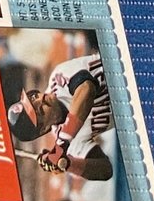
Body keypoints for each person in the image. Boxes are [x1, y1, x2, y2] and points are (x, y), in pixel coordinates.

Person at [7, 47, 116, 185]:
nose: (40, 99)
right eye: (38, 110)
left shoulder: (58, 78)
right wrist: (67, 164)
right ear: (43, 128)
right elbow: (106, 170)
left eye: (33, 98)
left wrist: (61, 145)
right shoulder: (65, 140)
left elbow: (86, 89)